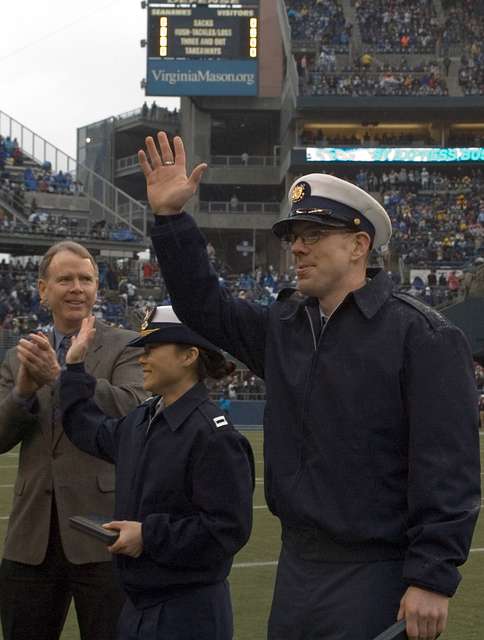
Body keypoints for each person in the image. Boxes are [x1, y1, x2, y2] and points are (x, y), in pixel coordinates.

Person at [137, 132, 481, 640]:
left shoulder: (423, 337)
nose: (297, 246)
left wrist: (432, 577)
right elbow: (202, 305)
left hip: (376, 569)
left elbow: (448, 470)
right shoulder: (285, 327)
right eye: (294, 234)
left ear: (359, 245)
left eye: (314, 234)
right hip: (298, 565)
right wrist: (170, 220)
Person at [59, 306, 255, 640]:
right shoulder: (142, 420)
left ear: (189, 356)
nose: (142, 359)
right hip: (137, 608)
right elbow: (87, 430)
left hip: (188, 613)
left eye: (152, 350)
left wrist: (148, 536)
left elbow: (226, 531)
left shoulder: (213, 436)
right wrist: (75, 368)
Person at [0, 241, 147, 640]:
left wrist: (61, 378)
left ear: (98, 289)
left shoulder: (126, 344)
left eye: (86, 279)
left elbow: (133, 411)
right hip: (31, 536)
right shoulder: (19, 356)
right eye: (65, 279)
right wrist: (22, 395)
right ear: (43, 290)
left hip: (102, 531)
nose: (77, 288)